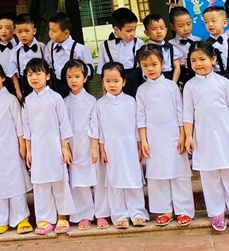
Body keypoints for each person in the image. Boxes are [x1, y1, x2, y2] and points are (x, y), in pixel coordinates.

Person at [183, 41, 229, 233]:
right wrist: (188, 136)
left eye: (202, 59)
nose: (198, 64)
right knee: (209, 175)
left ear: (212, 59)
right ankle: (216, 211)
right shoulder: (190, 86)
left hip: (227, 133)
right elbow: (187, 114)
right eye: (193, 60)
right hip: (203, 136)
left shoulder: (224, 83)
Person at [135, 46, 194, 227]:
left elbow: (180, 112)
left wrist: (183, 135)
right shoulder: (141, 90)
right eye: (145, 65)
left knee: (178, 172)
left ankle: (183, 209)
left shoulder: (171, 86)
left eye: (154, 64)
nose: (150, 69)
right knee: (157, 173)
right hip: (153, 137)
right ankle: (165, 210)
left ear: (162, 64)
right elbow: (140, 117)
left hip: (173, 135)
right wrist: (143, 140)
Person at [22, 58, 74, 235]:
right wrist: (29, 150)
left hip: (55, 147)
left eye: (38, 73)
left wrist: (65, 147)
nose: (34, 77)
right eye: (30, 74)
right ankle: (45, 219)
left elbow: (64, 124)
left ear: (48, 76)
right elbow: (26, 129)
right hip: (37, 149)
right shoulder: (27, 101)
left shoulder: (55, 98)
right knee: (40, 184)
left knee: (59, 182)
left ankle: (62, 216)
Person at [95, 62, 148, 229]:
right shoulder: (100, 104)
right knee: (115, 180)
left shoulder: (131, 102)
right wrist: (102, 148)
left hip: (130, 146)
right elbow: (99, 129)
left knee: (133, 178)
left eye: (116, 81)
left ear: (123, 82)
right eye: (108, 81)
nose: (112, 85)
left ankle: (137, 212)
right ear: (103, 82)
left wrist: (139, 145)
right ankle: (120, 214)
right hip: (111, 147)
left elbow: (137, 125)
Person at [0, 62, 32, 235]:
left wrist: (22, 146)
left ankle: (21, 218)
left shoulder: (11, 100)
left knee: (15, 181)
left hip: (11, 148)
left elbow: (19, 125)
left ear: (3, 77)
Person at [62, 59, 107, 231]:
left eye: (77, 76)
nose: (73, 80)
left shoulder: (91, 101)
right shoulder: (64, 102)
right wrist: (66, 147)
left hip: (90, 144)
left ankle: (101, 212)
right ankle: (84, 214)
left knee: (97, 179)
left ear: (85, 78)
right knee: (79, 181)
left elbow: (95, 125)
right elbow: (63, 127)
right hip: (74, 146)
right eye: (69, 77)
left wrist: (94, 147)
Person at [45, 12, 94, 97]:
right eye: (50, 30)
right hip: (56, 86)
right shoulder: (50, 46)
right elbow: (47, 64)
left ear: (66, 33)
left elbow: (90, 70)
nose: (50, 34)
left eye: (54, 31)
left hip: (75, 88)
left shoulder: (79, 49)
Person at [98, 8, 142, 97]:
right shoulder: (105, 46)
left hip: (135, 84)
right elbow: (102, 71)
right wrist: (104, 91)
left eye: (134, 29)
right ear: (116, 30)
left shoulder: (139, 43)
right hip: (114, 85)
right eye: (129, 31)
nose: (133, 34)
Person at [11, 13, 45, 101]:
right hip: (24, 86)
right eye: (19, 32)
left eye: (27, 31)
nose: (23, 35)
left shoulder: (42, 47)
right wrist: (18, 92)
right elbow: (13, 74)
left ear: (34, 31)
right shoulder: (14, 51)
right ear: (15, 32)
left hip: (42, 85)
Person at [142, 14, 180, 84]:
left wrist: (173, 83)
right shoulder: (146, 50)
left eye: (162, 28)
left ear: (166, 30)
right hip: (153, 80)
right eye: (153, 29)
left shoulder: (171, 47)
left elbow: (177, 67)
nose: (159, 31)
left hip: (170, 79)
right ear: (146, 33)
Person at [168, 6, 200, 88]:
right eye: (181, 26)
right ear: (172, 26)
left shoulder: (199, 41)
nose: (186, 28)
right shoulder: (169, 45)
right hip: (181, 80)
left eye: (189, 24)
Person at [203, 6, 229, 80]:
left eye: (213, 21)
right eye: (206, 22)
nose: (210, 24)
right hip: (212, 79)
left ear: (225, 23)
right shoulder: (203, 46)